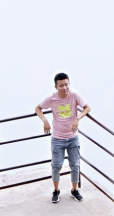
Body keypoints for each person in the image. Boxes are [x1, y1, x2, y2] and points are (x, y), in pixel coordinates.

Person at [35, 73, 88, 204]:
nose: (64, 87)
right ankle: (56, 190)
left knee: (75, 165)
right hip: (57, 138)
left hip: (73, 137)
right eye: (61, 85)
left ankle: (74, 190)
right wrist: (45, 121)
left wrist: (77, 118)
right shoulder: (52, 98)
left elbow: (87, 107)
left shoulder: (74, 95)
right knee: (56, 165)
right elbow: (38, 108)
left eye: (66, 84)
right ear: (56, 86)